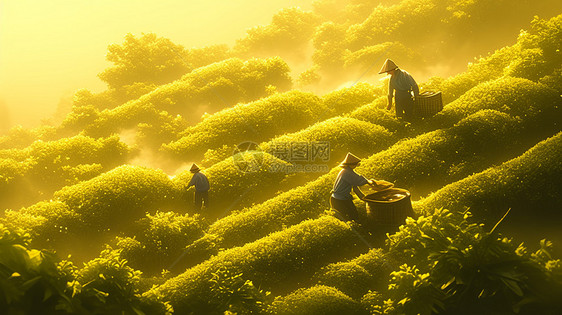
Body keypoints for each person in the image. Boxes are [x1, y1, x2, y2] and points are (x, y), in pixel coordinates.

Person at [330, 153, 375, 222]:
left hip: (338, 198)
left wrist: (364, 198)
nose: (356, 166)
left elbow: (355, 188)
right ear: (350, 164)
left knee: (352, 215)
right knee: (349, 217)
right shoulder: (347, 173)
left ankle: (354, 226)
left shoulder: (347, 172)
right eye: (355, 164)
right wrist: (370, 182)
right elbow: (359, 180)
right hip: (339, 200)